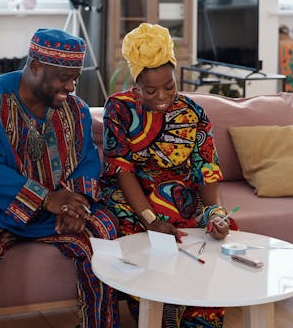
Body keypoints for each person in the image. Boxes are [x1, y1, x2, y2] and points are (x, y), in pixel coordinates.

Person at [0, 28, 119, 328]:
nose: (72, 86)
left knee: (104, 229)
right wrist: (47, 199)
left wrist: (77, 204)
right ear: (36, 67)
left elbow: (89, 158)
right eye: (64, 78)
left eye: (75, 78)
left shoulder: (76, 110)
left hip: (58, 208)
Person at [100, 23, 238, 328]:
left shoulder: (194, 112)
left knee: (212, 232)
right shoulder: (119, 108)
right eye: (150, 90)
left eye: (169, 87)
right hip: (134, 199)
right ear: (135, 86)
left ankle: (196, 312)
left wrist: (216, 212)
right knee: (137, 237)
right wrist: (150, 219)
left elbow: (206, 167)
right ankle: (159, 308)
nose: (162, 96)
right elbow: (121, 169)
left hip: (182, 196)